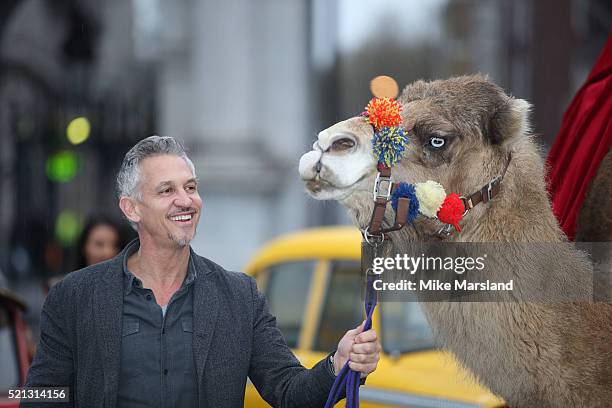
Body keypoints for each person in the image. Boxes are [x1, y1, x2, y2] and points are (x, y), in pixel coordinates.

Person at [23, 136, 381, 407]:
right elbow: (42, 396)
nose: (186, 200)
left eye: (190, 187)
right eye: (167, 190)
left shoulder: (240, 297)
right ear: (131, 208)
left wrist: (339, 362)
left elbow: (289, 391)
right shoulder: (74, 297)